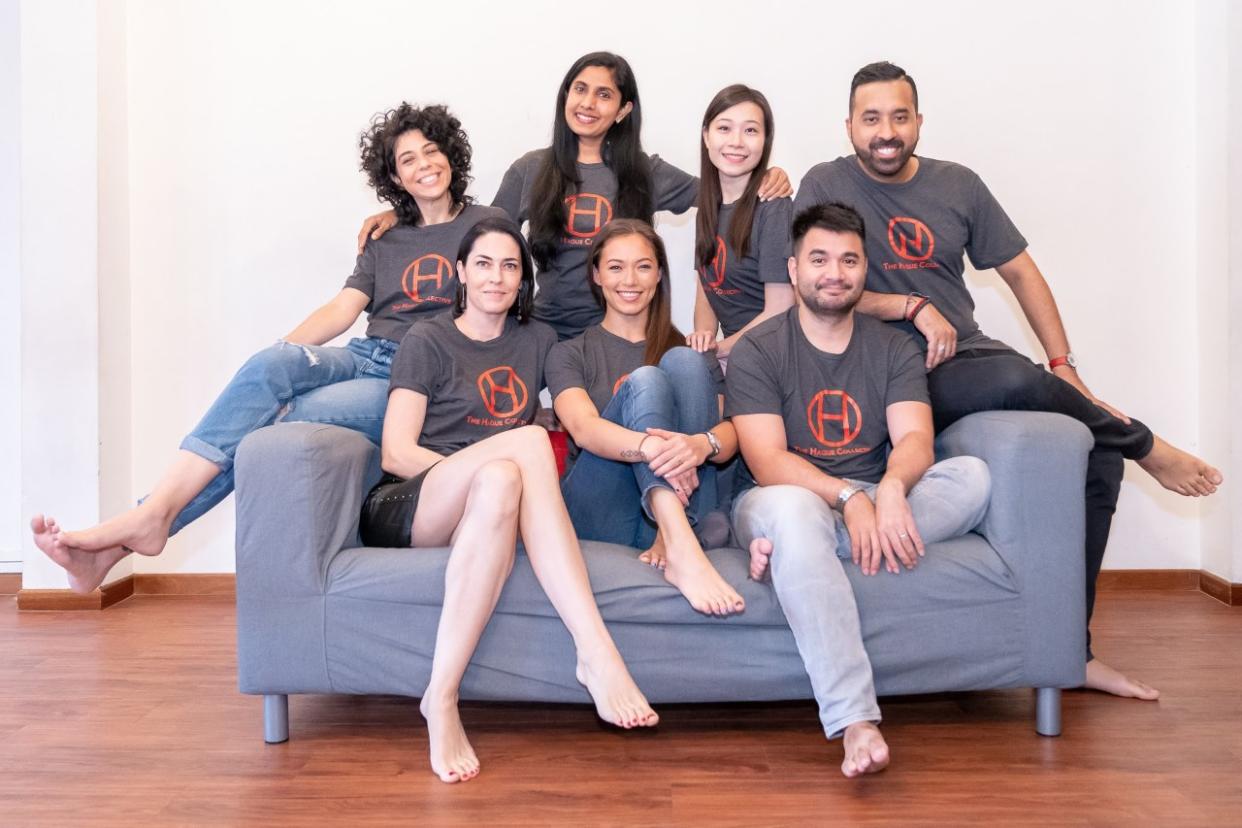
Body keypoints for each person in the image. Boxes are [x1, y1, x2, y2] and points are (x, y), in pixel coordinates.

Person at [794, 60, 1224, 701]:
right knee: (1015, 382)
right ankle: (1145, 443)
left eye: (899, 116)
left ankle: (1071, 655)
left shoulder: (958, 185)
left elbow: (1023, 273)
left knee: (1092, 453)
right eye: (871, 117)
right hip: (884, 366)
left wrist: (1064, 366)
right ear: (849, 124)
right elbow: (818, 284)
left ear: (918, 121)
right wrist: (910, 305)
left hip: (963, 354)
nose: (886, 131)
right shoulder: (825, 182)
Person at [31, 103, 506, 594]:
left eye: (431, 151)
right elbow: (343, 309)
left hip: (411, 381)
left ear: (451, 156)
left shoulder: (486, 224)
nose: (424, 164)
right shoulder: (386, 237)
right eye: (407, 159)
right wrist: (280, 360)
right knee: (268, 369)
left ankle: (138, 528)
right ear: (394, 176)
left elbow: (508, 296)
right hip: (367, 355)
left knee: (279, 414)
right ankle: (148, 520)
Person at [359, 216, 658, 783]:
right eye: (484, 264)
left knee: (503, 478)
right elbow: (396, 452)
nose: (497, 277)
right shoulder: (427, 339)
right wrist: (475, 471)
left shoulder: (539, 340)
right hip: (413, 501)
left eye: (510, 266)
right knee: (511, 454)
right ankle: (595, 649)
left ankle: (440, 697)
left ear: (524, 281)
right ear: (461, 273)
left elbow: (579, 396)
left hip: (491, 502)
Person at [727, 202, 991, 777]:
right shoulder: (759, 348)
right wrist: (851, 498)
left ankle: (809, 555)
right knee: (796, 514)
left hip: (873, 494)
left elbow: (917, 437)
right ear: (793, 270)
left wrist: (891, 488)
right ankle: (854, 719)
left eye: (849, 260)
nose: (834, 273)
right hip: (778, 497)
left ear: (865, 269)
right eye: (818, 259)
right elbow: (768, 461)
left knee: (972, 476)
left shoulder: (894, 348)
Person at [357, 52, 792, 341]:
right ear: (566, 96)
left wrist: (768, 174)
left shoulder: (646, 171)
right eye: (580, 89)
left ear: (623, 110)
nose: (589, 103)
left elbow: (721, 187)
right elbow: (475, 236)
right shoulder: (530, 169)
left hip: (628, 331)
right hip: (547, 331)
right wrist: (403, 213)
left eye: (605, 95)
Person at [547, 219, 744, 616]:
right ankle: (679, 539)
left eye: (643, 266)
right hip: (603, 506)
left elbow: (733, 436)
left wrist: (698, 444)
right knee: (647, 380)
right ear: (596, 275)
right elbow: (584, 429)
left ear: (659, 275)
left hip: (693, 503)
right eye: (616, 267)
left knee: (683, 362)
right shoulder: (570, 352)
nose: (630, 279)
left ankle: (672, 533)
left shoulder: (691, 350)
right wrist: (651, 446)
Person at [686, 84, 794, 359]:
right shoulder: (708, 207)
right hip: (732, 355)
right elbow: (706, 294)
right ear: (706, 136)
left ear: (765, 140)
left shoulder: (774, 207)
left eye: (750, 130)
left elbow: (780, 310)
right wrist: (704, 342)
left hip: (772, 355)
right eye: (724, 128)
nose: (736, 141)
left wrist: (719, 351)